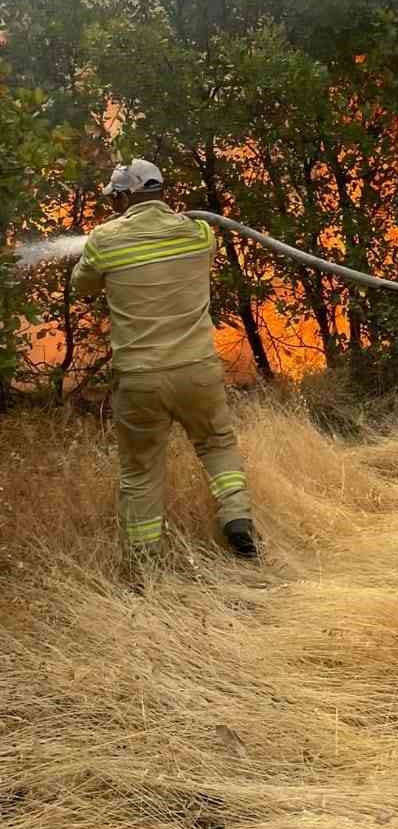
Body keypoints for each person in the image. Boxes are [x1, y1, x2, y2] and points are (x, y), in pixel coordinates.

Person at [71, 159, 259, 565]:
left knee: (140, 471)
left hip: (140, 379)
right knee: (216, 444)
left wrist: (102, 245)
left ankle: (144, 560)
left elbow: (81, 284)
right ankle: (237, 519)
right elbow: (194, 237)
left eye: (115, 198)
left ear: (124, 196)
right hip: (197, 370)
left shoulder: (104, 240)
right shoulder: (198, 234)